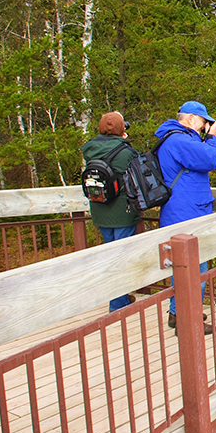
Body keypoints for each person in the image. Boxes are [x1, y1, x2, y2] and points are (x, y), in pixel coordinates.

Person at [155, 101, 216, 334]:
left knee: (185, 267)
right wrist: (212, 138)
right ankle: (188, 320)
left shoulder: (176, 138)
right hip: (187, 212)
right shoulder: (179, 140)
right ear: (192, 118)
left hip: (183, 209)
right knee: (194, 268)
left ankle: (178, 312)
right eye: (204, 121)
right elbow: (211, 160)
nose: (206, 126)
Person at [80, 111, 140, 311]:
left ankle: (118, 298)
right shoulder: (125, 151)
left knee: (109, 255)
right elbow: (136, 175)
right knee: (121, 259)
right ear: (122, 129)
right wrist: (125, 142)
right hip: (122, 212)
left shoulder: (90, 149)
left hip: (100, 210)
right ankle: (117, 304)